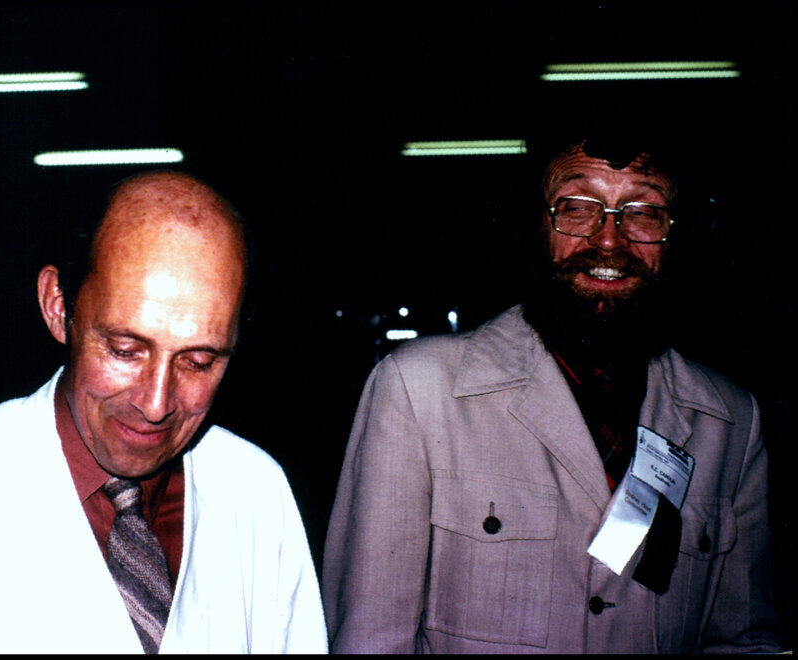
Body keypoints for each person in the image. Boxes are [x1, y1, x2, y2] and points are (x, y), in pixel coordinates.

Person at [0, 171, 328, 654]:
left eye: (199, 361)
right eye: (125, 350)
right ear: (59, 306)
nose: (156, 403)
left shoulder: (256, 493)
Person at [322, 136, 784, 653]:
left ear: (677, 237)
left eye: (643, 212)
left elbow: (743, 641)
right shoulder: (418, 390)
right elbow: (369, 640)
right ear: (536, 227)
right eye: (577, 208)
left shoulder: (730, 423)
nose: (609, 240)